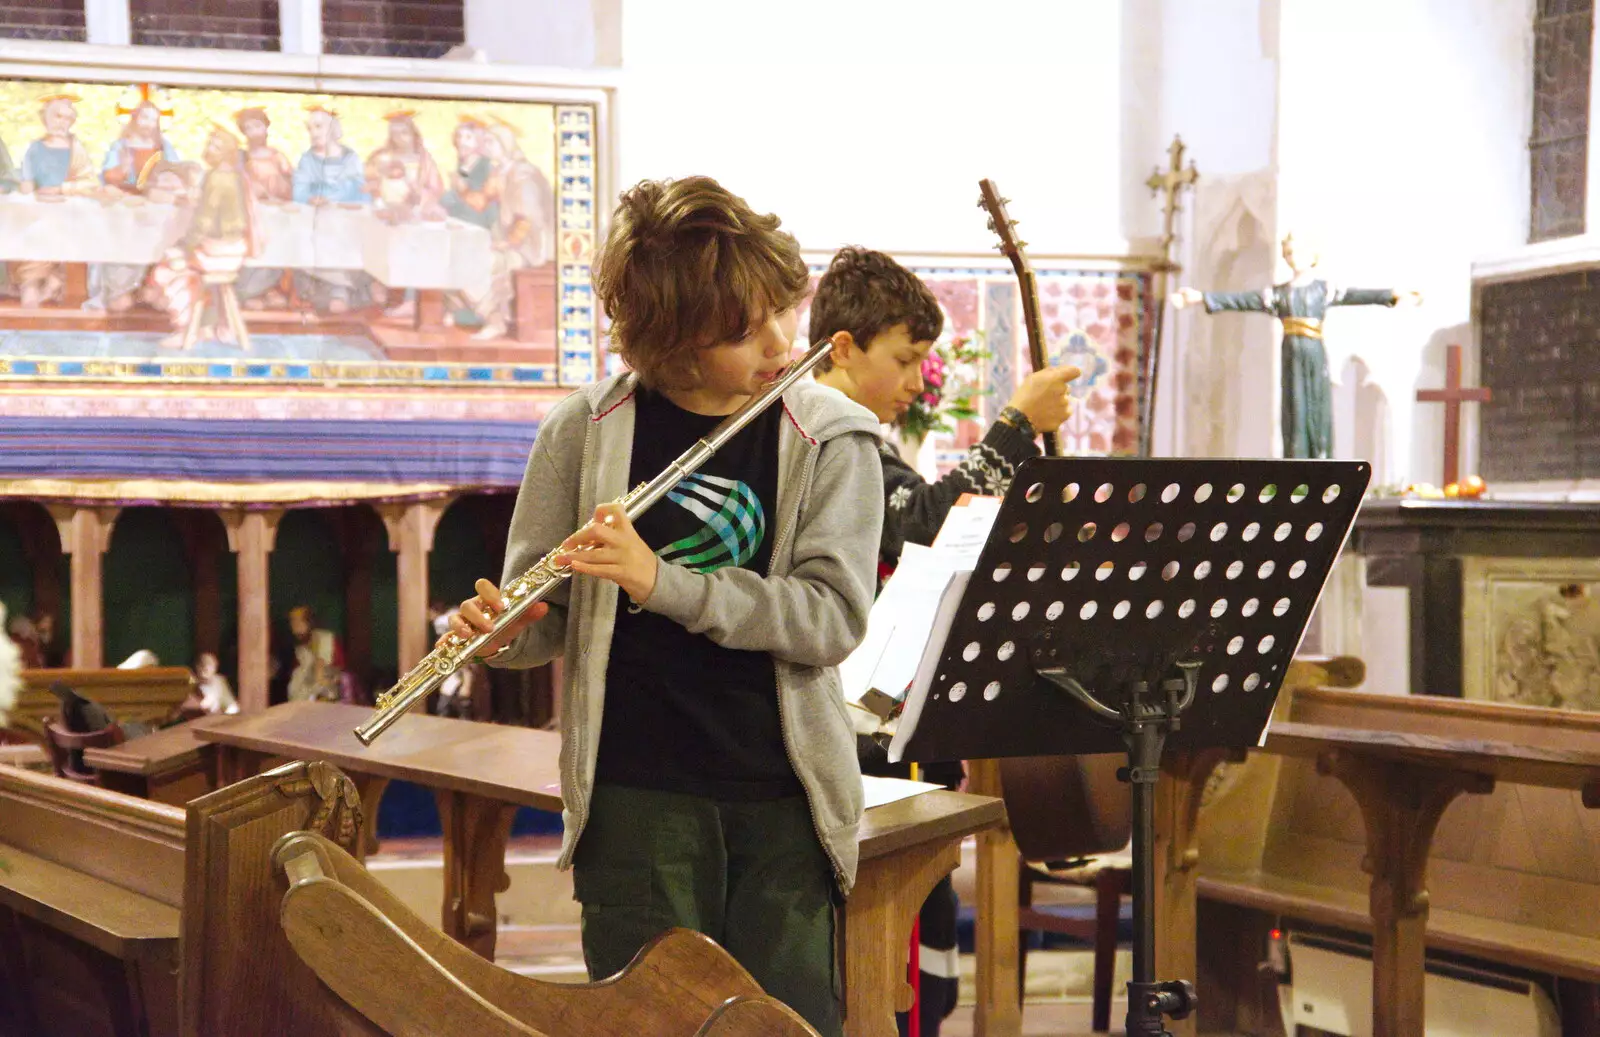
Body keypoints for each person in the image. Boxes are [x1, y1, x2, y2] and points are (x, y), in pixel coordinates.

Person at [447, 175, 882, 1037]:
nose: (777, 341)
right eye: (740, 329)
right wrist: (502, 637)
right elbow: (552, 617)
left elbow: (830, 619)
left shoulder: (831, 434)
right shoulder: (583, 429)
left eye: (777, 311)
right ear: (674, 341)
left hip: (781, 801)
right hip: (635, 801)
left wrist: (662, 582)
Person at [808, 246, 1079, 1035]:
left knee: (917, 948)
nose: (917, 380)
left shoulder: (855, 432)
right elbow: (924, 522)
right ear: (845, 349)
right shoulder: (829, 432)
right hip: (858, 729)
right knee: (893, 961)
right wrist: (1017, 425)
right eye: (905, 358)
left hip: (886, 721)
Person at [1171, 232, 1421, 459]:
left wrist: (1392, 295)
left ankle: (1322, 461)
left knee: (1317, 407)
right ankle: (1297, 462)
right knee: (1295, 407)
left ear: (1312, 256)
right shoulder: (1278, 294)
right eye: (1289, 253)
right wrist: (1201, 297)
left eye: (1298, 252)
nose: (1293, 258)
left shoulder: (1323, 290)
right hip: (1291, 353)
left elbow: (1357, 295)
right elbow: (1241, 300)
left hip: (1314, 352)